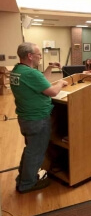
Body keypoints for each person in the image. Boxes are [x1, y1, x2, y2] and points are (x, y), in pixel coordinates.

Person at [9, 42, 68, 193]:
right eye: (38, 55)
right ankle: (27, 184)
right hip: (37, 119)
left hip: (26, 118)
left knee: (30, 150)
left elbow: (40, 82)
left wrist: (49, 68)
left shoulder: (17, 70)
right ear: (30, 56)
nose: (40, 58)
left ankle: (23, 178)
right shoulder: (30, 73)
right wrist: (61, 82)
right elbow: (53, 91)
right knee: (35, 152)